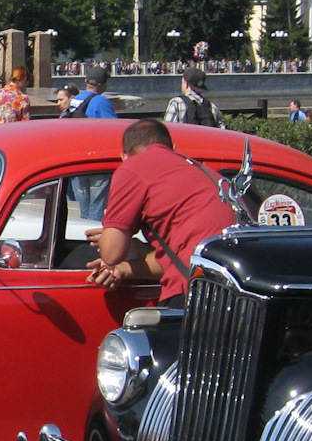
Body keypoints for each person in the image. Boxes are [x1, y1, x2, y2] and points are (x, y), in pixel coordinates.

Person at [87, 119, 241, 306]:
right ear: (172, 148)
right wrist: (125, 269)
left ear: (124, 156)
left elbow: (111, 254)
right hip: (236, 289)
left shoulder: (132, 168)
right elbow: (176, 256)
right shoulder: (202, 171)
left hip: (194, 292)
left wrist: (107, 236)